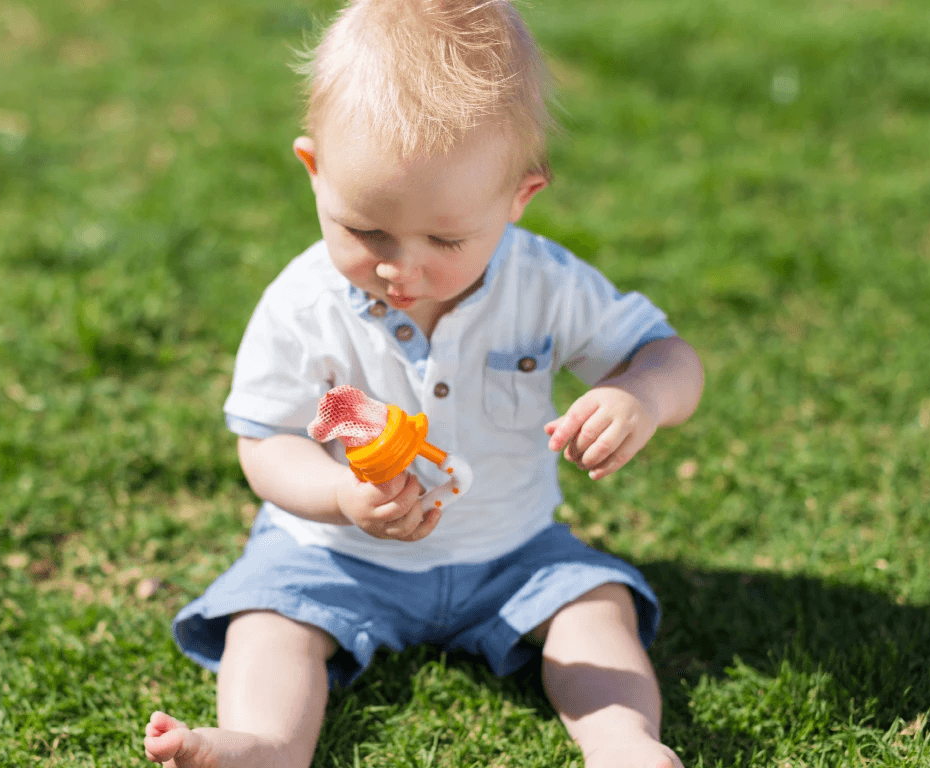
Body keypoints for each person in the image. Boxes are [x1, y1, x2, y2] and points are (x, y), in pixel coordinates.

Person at [143, 0, 703, 766]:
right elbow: (265, 442)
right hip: (335, 553)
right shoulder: (303, 305)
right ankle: (270, 744)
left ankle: (624, 744)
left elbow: (670, 356)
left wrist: (641, 394)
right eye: (364, 230)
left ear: (517, 198)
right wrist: (339, 496)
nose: (399, 269)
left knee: (592, 605)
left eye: (445, 238)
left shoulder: (544, 284)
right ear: (315, 171)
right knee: (269, 618)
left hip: (512, 552)